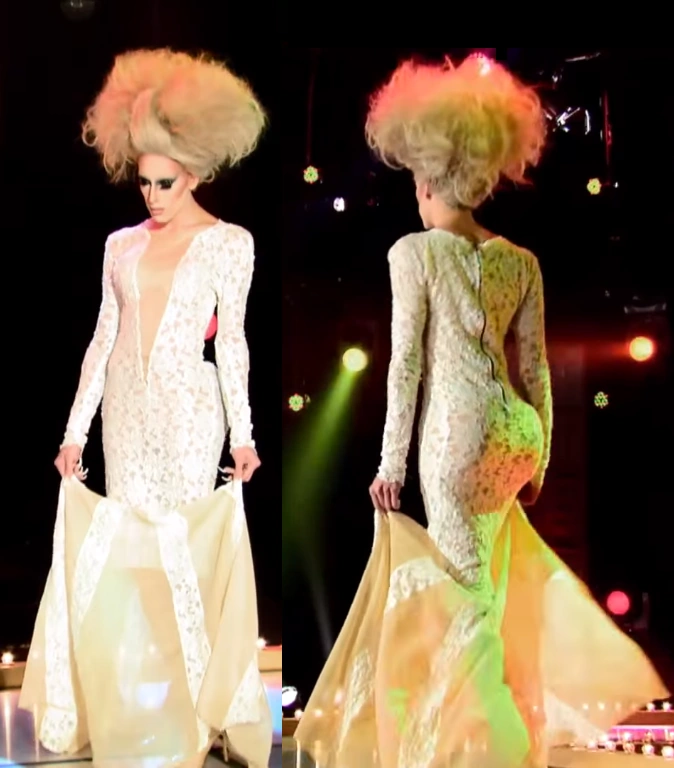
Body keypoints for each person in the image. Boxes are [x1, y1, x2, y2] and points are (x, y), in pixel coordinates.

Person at [295, 54, 668, 767]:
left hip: (458, 437)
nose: (414, 189)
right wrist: (541, 457)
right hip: (515, 434)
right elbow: (536, 371)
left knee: (465, 595)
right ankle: (490, 733)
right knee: (489, 583)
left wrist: (390, 464)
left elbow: (406, 364)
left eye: (414, 176)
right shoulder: (519, 259)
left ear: (429, 176)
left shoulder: (414, 252)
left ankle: (489, 745)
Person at [20, 48, 271, 768]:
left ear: (196, 171)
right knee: (129, 560)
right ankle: (131, 714)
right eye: (143, 180)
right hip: (126, 415)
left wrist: (245, 434)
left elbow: (234, 345)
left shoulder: (229, 244)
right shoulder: (119, 246)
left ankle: (200, 719)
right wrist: (74, 431)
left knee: (180, 558)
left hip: (191, 412)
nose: (153, 195)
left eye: (166, 181)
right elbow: (102, 340)